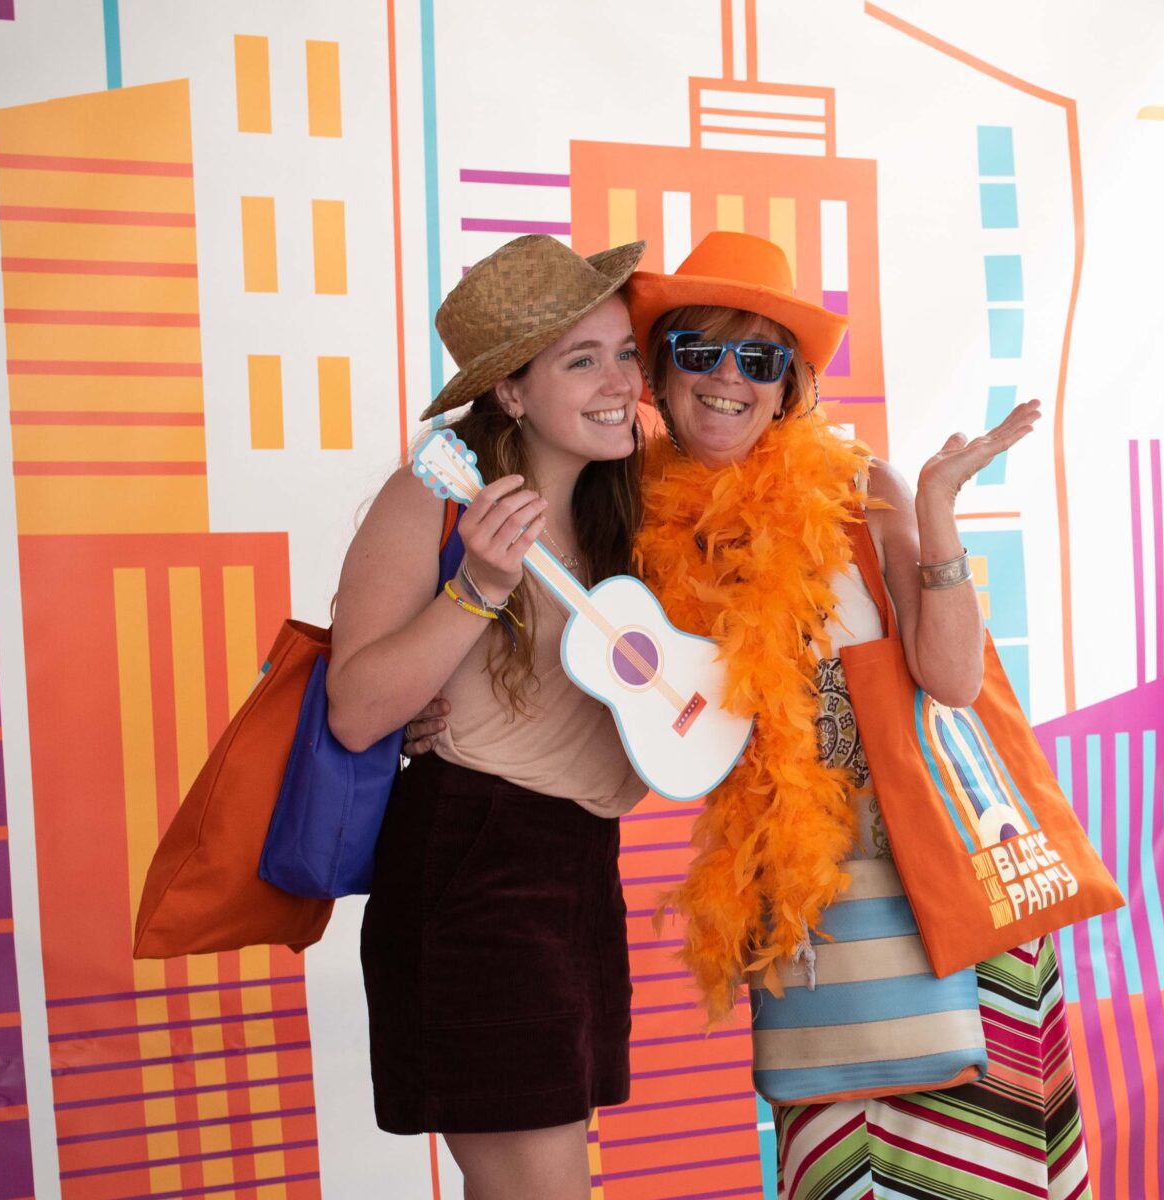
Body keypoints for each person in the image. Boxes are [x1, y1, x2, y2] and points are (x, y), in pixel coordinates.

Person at [624, 232, 1080, 1200]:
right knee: (841, 1173)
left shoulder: (857, 490)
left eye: (760, 358)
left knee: (982, 1177)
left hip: (947, 884)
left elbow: (950, 679)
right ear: (658, 376)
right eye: (698, 350)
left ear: (789, 387)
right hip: (805, 911)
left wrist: (936, 511)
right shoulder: (626, 517)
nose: (727, 379)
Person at [326, 234, 651, 1199]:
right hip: (477, 859)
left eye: (626, 352)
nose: (618, 381)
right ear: (509, 391)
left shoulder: (626, 505)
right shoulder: (432, 498)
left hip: (580, 864)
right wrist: (478, 586)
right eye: (579, 360)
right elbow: (355, 712)